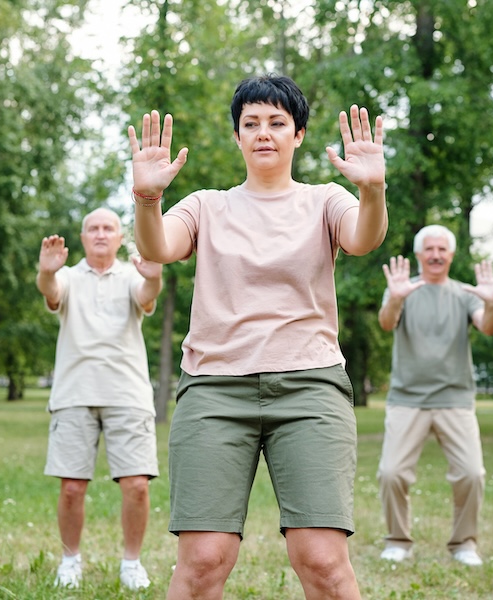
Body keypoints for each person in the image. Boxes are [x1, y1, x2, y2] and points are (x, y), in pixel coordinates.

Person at [127, 74, 388, 600]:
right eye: (251, 124)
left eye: (276, 122)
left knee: (322, 561)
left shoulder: (324, 201)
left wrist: (373, 188)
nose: (263, 133)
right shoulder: (206, 205)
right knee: (203, 561)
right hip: (215, 389)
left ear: (299, 135)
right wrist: (147, 198)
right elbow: (159, 248)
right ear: (237, 136)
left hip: (310, 388)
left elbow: (363, 238)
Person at [37, 207, 163, 590]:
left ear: (121, 237)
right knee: (72, 487)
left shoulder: (132, 274)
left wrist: (154, 278)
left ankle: (131, 563)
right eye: (93, 228)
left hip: (128, 393)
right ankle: (70, 560)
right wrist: (46, 271)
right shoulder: (68, 276)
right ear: (83, 237)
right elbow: (52, 292)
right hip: (75, 394)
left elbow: (146, 297)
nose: (101, 234)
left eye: (109, 228)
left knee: (137, 485)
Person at [375, 225, 493, 567]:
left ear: (451, 255)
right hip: (407, 399)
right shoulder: (403, 290)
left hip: (455, 399)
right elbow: (387, 323)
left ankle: (464, 543)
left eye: (441, 249)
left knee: (472, 474)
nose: (435, 255)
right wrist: (397, 298)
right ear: (418, 255)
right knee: (391, 473)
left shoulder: (464, 293)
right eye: (428, 249)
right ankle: (398, 540)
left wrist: (492, 304)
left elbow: (488, 326)